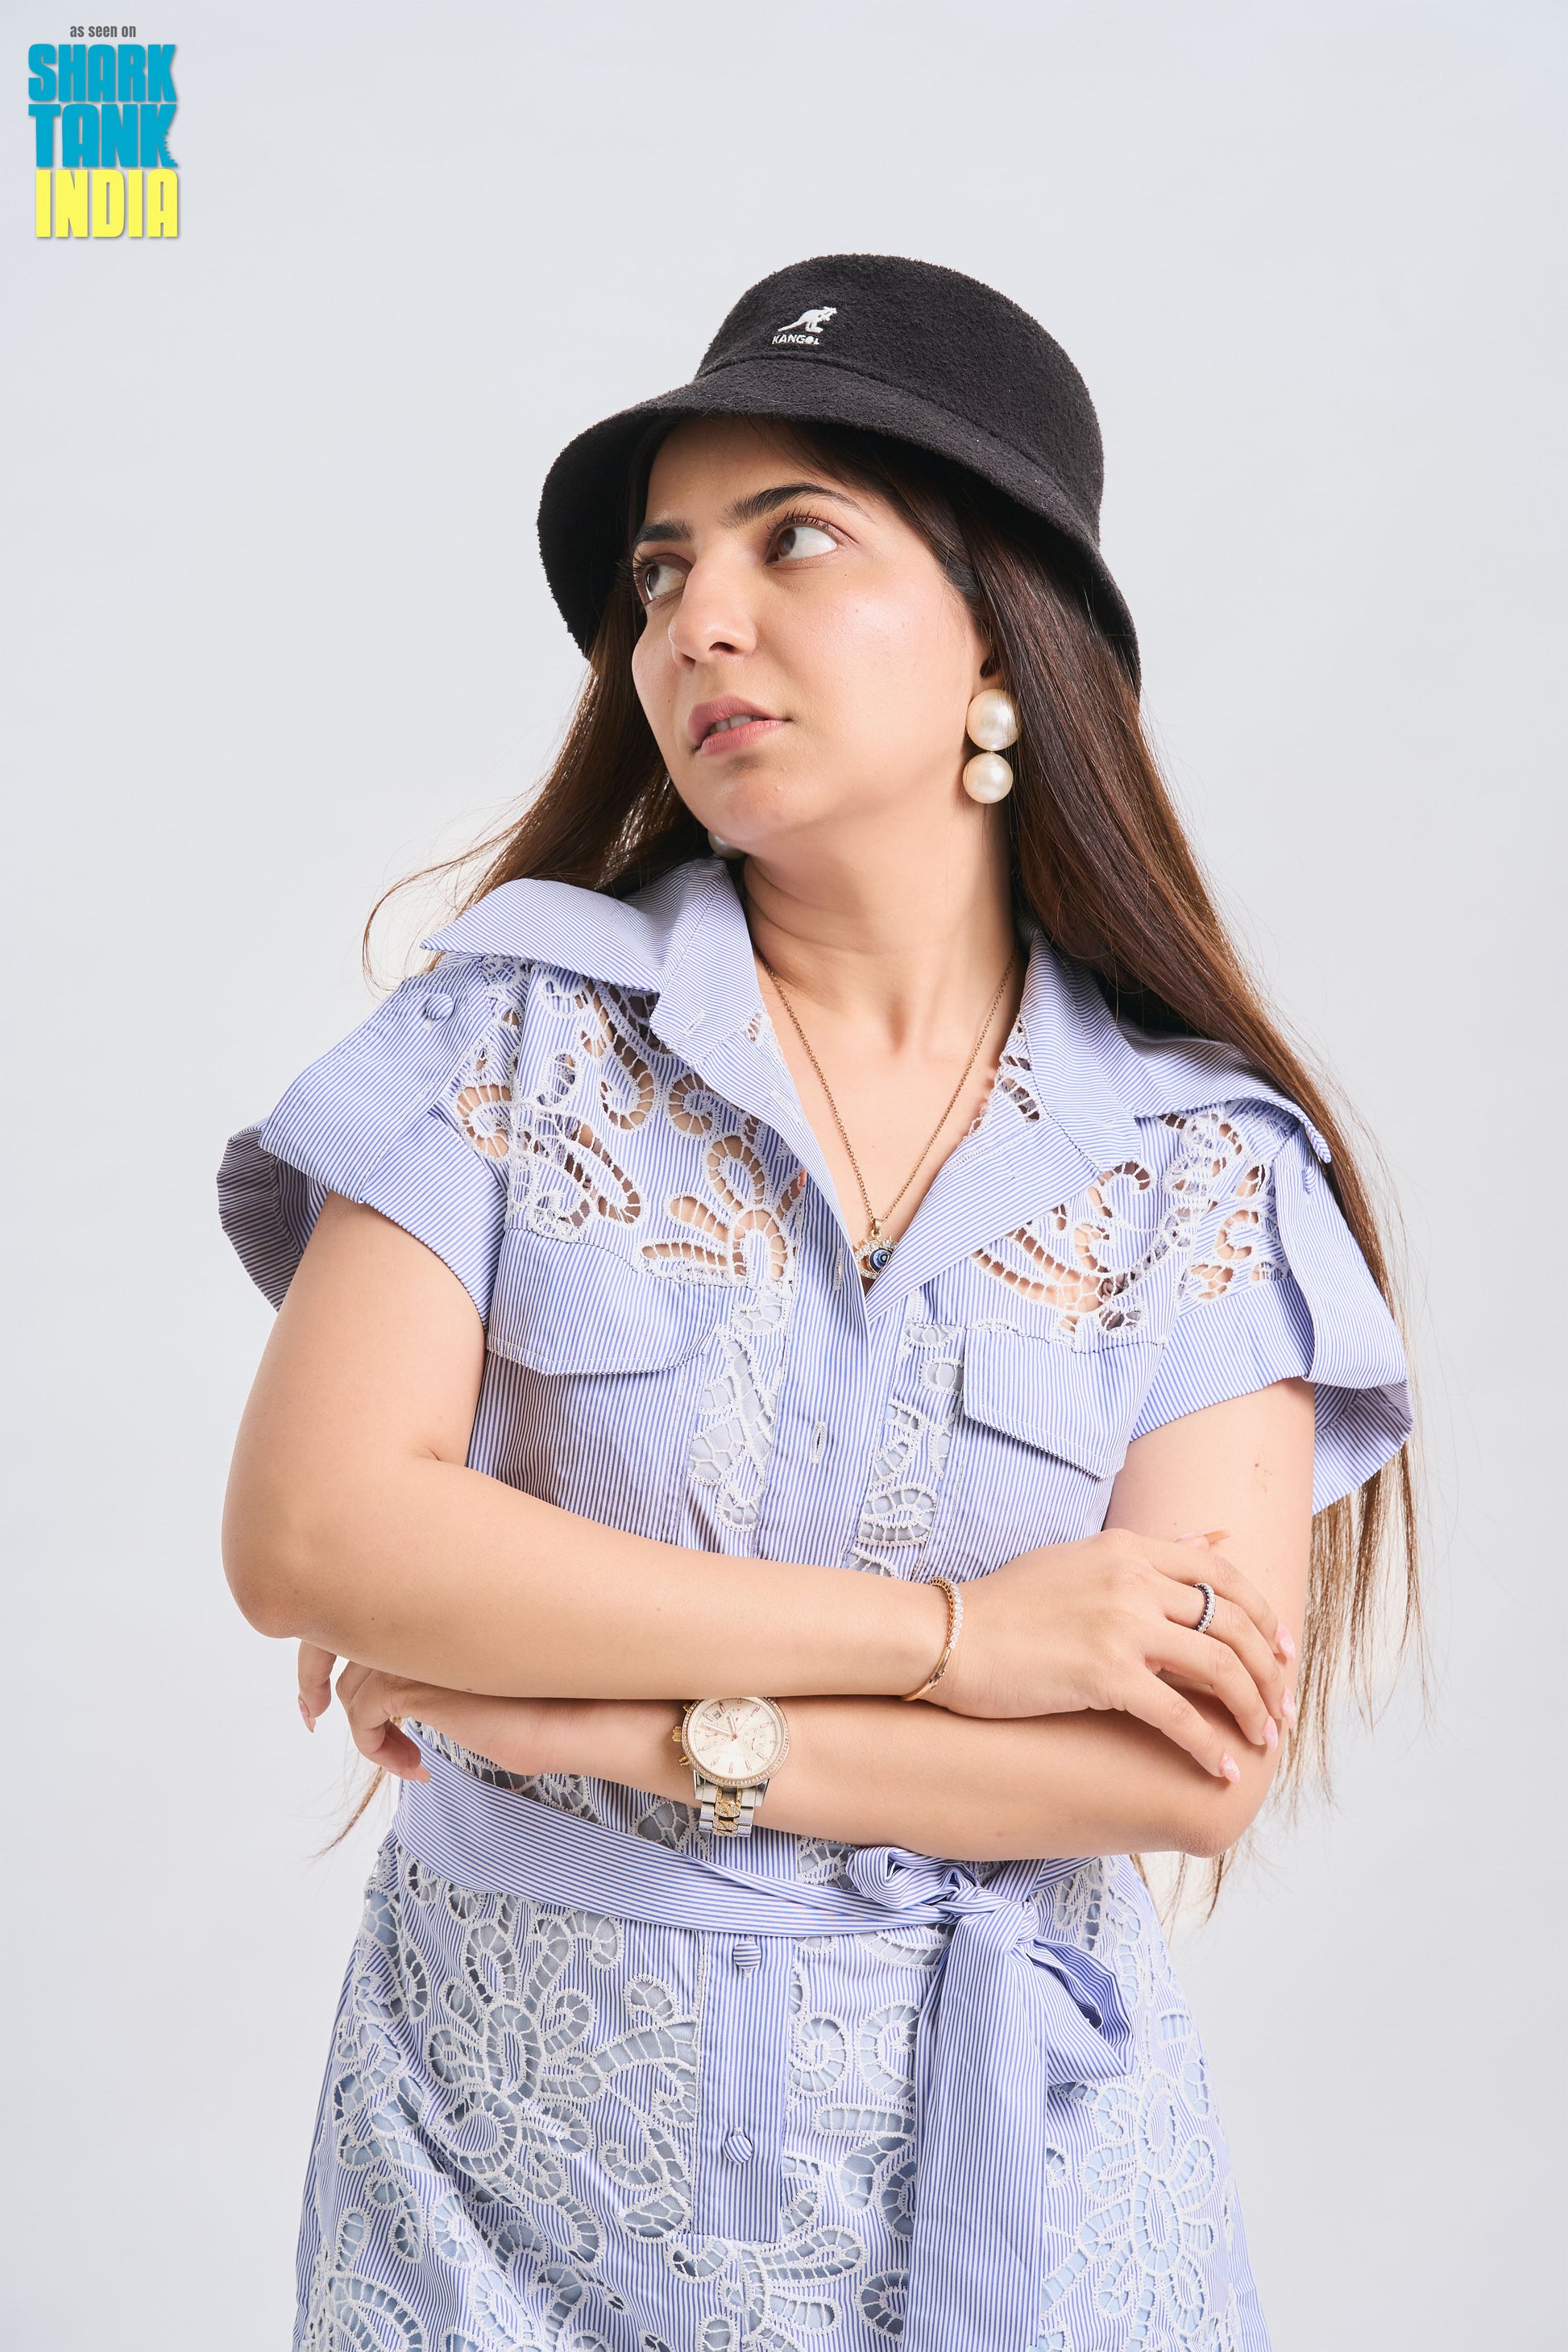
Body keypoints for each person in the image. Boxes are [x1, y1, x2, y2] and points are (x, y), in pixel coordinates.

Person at [220, 254, 1416, 2352]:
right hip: (499, 2199)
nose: (698, 619)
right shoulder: (507, 1046)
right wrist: (957, 1645)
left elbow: (1171, 1765)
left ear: (997, 642)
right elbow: (317, 1538)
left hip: (1029, 2205)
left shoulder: (1205, 1171)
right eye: (665, 569)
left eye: (797, 542)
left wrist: (614, 1721)